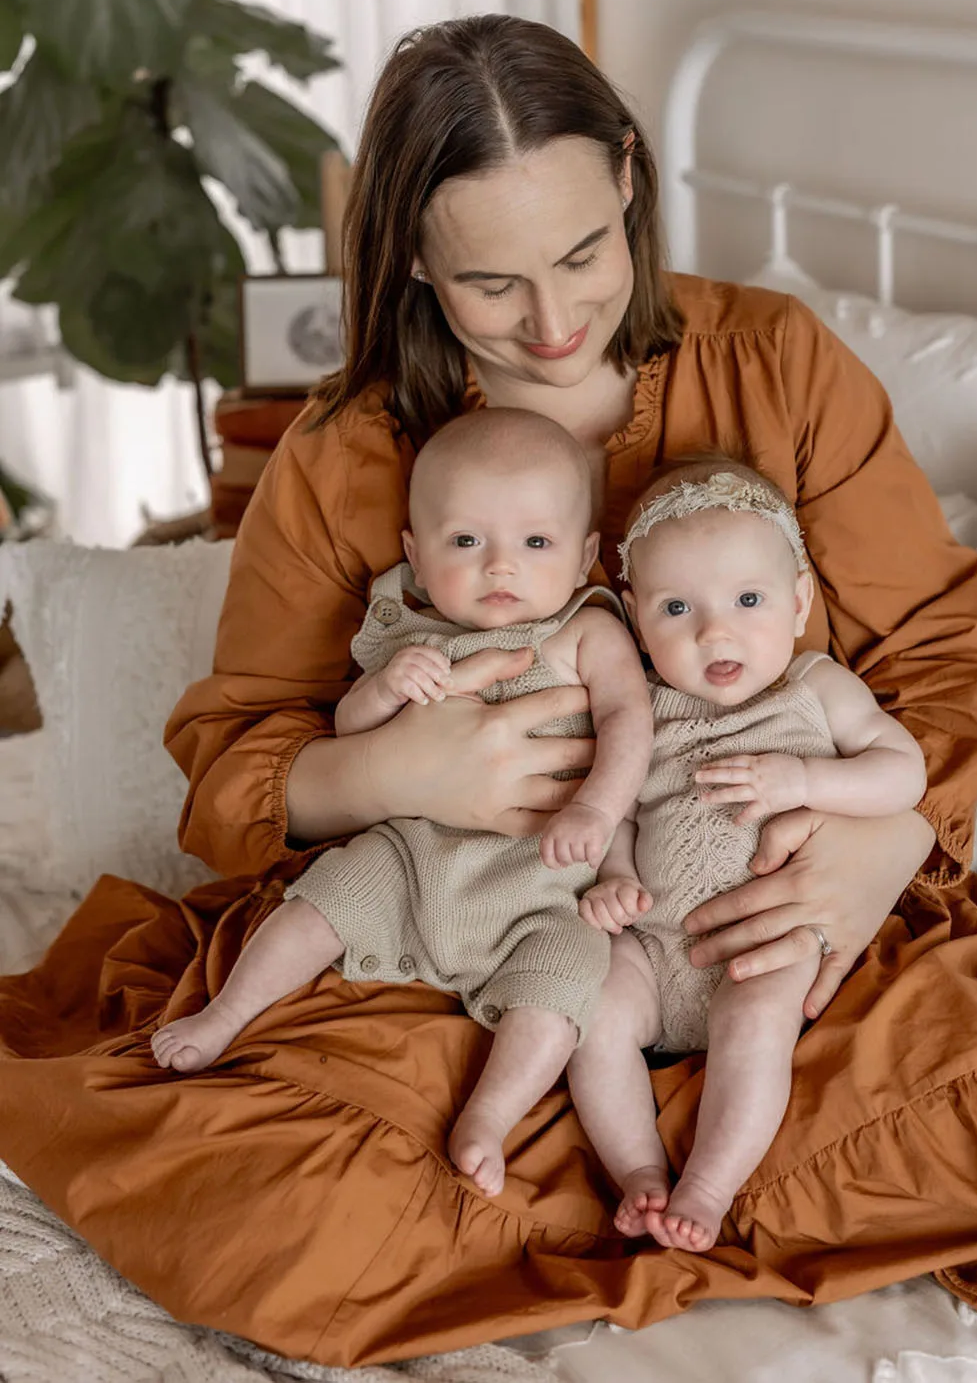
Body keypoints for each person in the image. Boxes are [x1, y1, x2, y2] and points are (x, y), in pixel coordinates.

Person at [1, 12, 977, 1374]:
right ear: (412, 261)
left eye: (582, 253)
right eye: (493, 283)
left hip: (776, 902)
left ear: (630, 176)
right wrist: (392, 777)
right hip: (469, 931)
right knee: (270, 1186)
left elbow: (938, 655)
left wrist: (877, 847)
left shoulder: (775, 365)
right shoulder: (347, 452)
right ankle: (576, 1162)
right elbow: (233, 755)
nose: (557, 321)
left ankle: (681, 1178)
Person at [150, 407, 653, 1197]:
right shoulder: (407, 635)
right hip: (412, 855)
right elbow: (348, 731)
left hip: (546, 885)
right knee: (317, 902)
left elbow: (630, 721)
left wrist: (595, 812)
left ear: (588, 554)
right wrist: (385, 689)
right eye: (465, 543)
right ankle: (226, 1015)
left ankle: (488, 1115)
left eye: (536, 544)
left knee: (565, 985)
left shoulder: (586, 631)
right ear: (416, 555)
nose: (500, 569)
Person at [569, 460, 926, 1251]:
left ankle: (707, 1184)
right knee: (587, 1008)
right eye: (675, 608)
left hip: (771, 943)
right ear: (634, 620)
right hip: (654, 946)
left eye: (749, 601)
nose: (713, 631)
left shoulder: (815, 688)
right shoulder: (642, 711)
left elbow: (904, 772)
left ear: (799, 602)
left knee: (757, 1022)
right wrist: (618, 877)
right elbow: (618, 810)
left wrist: (806, 778)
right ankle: (637, 1172)